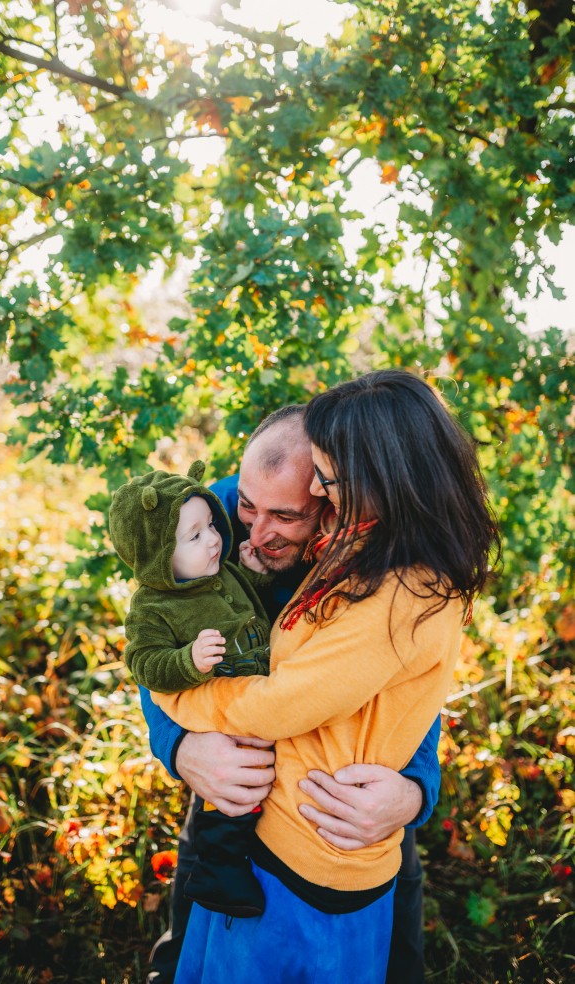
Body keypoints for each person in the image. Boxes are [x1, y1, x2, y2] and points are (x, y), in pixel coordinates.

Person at [152, 370, 499, 983]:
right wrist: (182, 748)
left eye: (288, 515)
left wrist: (414, 788)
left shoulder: (389, 562)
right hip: (233, 781)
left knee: (388, 957)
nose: (255, 534)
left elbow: (404, 685)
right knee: (200, 939)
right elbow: (156, 639)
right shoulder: (215, 514)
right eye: (248, 507)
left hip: (344, 807)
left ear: (346, 495)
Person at [108, 460, 274, 917]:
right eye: (195, 536)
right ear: (159, 555)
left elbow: (255, 607)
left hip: (260, 693)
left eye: (210, 527)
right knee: (232, 800)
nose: (215, 539)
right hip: (223, 717)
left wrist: (258, 572)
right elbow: (143, 663)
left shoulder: (218, 570)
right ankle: (216, 873)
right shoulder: (154, 606)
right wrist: (188, 661)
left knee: (257, 785)